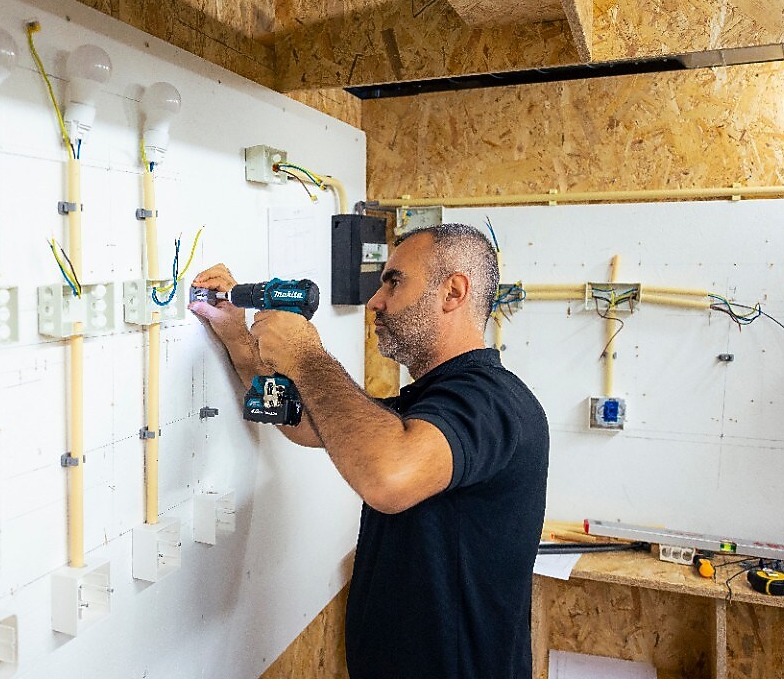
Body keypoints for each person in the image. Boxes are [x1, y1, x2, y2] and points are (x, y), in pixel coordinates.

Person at [189, 223, 549, 679]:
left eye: (394, 281)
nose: (375, 301)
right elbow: (309, 425)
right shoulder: (431, 402)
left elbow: (387, 478)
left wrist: (305, 355)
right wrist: (238, 336)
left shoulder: (489, 401)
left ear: (453, 291)